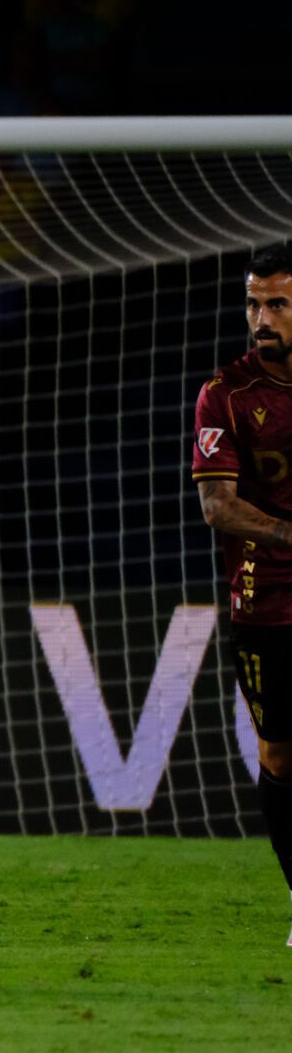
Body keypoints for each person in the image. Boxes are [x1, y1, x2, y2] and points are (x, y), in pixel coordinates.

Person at [194, 241, 292, 945]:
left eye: (278, 304)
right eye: (254, 303)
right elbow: (219, 508)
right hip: (267, 600)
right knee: (282, 755)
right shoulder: (224, 393)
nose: (262, 317)